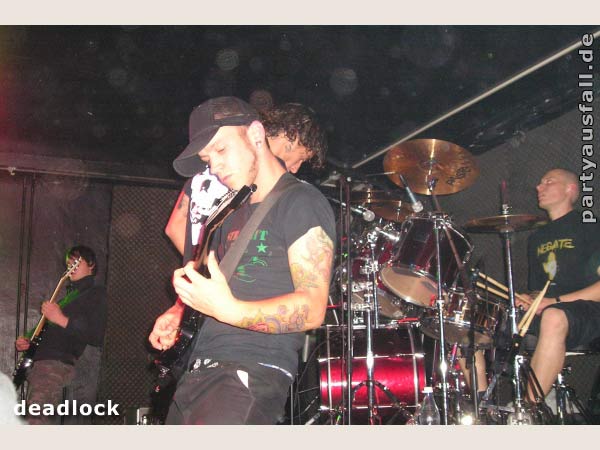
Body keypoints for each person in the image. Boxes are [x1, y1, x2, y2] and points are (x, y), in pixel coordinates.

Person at [149, 96, 335, 424]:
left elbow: (313, 308)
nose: (214, 166)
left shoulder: (301, 201)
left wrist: (230, 311)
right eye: (207, 158)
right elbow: (214, 283)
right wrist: (181, 309)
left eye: (221, 150)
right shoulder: (228, 213)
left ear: (256, 135)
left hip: (248, 372)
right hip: (197, 370)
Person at [165, 102, 327, 263]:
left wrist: (200, 269)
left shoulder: (206, 170)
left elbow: (174, 227)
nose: (296, 168)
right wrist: (211, 271)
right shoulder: (241, 173)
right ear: (292, 138)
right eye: (300, 158)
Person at [517, 168, 600, 401]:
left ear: (570, 189)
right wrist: (529, 299)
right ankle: (482, 404)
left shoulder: (590, 226)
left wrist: (554, 302)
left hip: (589, 310)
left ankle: (529, 409)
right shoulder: (537, 238)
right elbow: (539, 290)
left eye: (548, 182)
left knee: (553, 315)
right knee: (477, 326)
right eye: (540, 182)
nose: (538, 187)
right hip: (551, 308)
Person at [14, 245, 107, 425]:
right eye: (69, 263)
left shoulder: (96, 293)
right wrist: (28, 340)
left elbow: (96, 335)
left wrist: (60, 318)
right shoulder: (67, 298)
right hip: (39, 365)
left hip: (54, 364)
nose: (71, 266)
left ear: (91, 264)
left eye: (76, 262)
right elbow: (47, 329)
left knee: (37, 420)